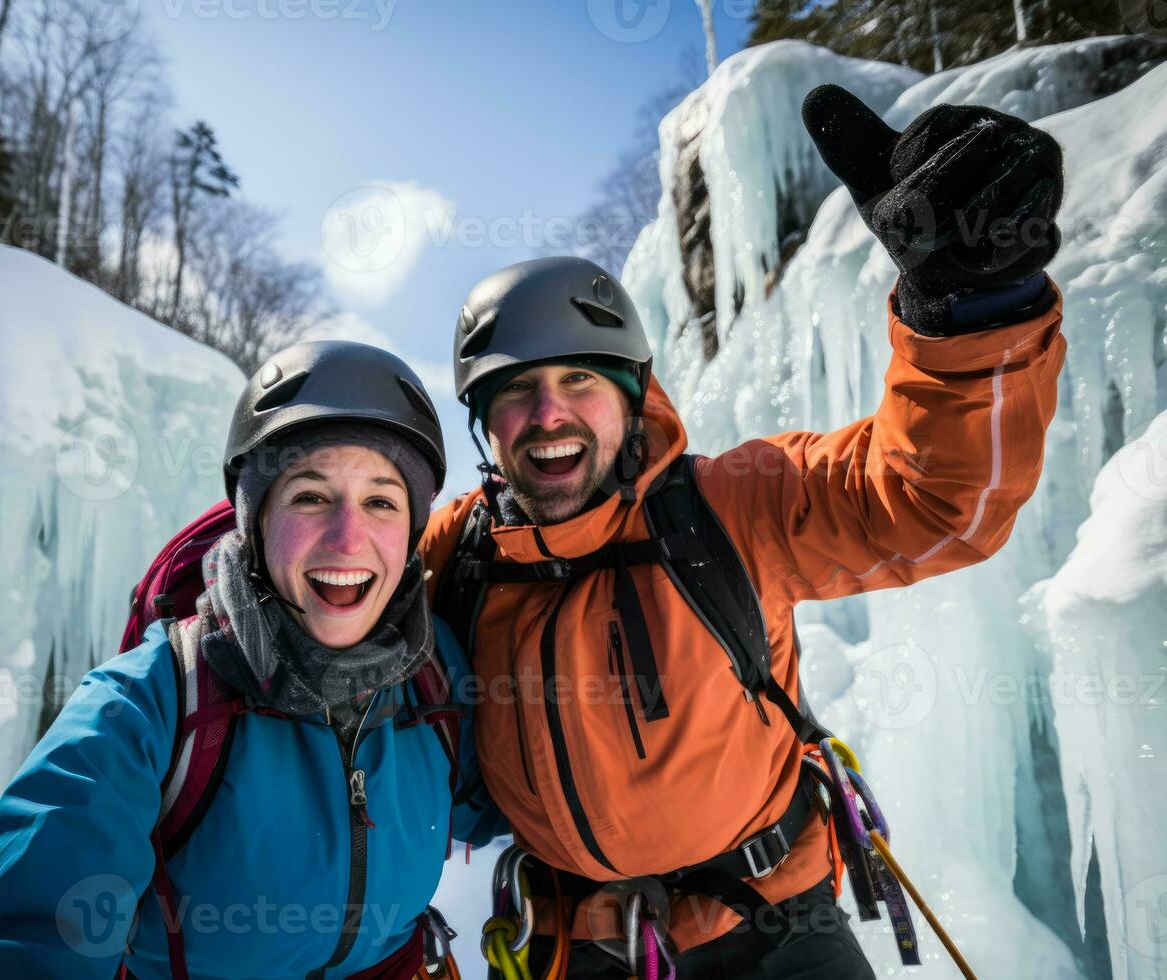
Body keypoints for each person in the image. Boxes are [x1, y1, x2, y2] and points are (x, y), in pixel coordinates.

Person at [421, 85, 1066, 978]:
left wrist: (973, 310)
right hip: (574, 944)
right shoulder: (456, 555)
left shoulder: (730, 504)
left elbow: (927, 500)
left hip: (771, 931)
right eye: (514, 393)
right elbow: (337, 573)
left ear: (634, 396)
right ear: (487, 428)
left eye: (580, 381)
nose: (548, 414)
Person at [0, 341, 505, 980]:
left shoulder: (435, 676)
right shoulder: (152, 703)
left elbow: (505, 807)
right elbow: (25, 934)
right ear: (255, 523)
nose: (347, 537)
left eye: (382, 501)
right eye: (309, 496)